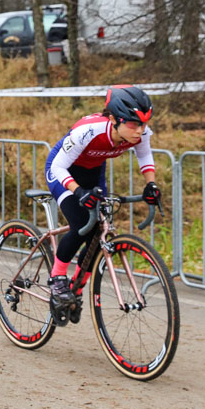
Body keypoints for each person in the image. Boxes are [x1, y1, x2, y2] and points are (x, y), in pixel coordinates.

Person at [43, 85, 161, 309]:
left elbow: (144, 155)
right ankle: (57, 279)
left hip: (93, 174)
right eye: (134, 124)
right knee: (80, 224)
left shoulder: (140, 133)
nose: (140, 130)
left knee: (99, 233)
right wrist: (77, 191)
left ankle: (76, 289)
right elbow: (59, 167)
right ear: (116, 119)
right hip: (63, 171)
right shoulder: (89, 130)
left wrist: (151, 184)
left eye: (144, 123)